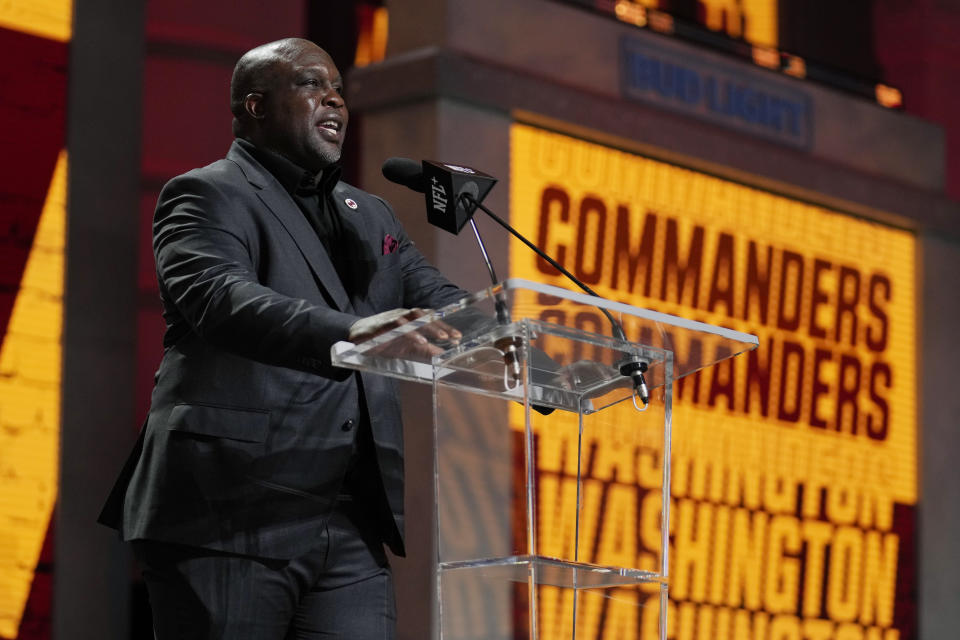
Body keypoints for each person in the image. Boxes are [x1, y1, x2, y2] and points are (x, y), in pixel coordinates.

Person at [99, 37, 467, 639]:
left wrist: (519, 350)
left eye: (339, 90)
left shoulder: (369, 215)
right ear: (255, 105)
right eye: (310, 84)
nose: (334, 100)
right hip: (227, 509)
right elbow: (221, 299)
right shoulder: (207, 193)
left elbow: (442, 302)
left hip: (349, 523)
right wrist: (354, 331)